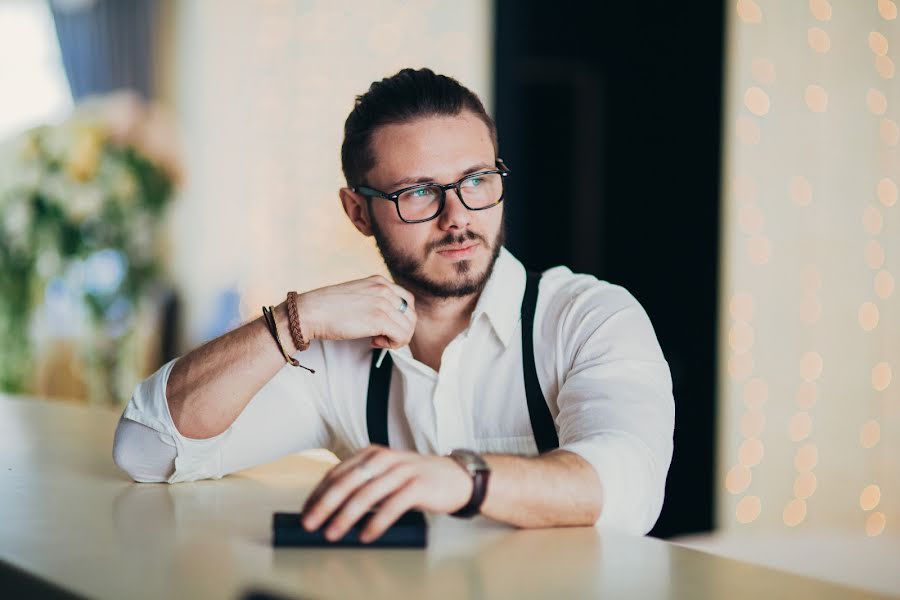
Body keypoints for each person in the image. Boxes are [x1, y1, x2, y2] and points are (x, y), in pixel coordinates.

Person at [113, 68, 674, 543]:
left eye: (477, 179)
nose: (458, 216)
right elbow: (148, 451)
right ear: (359, 212)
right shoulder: (335, 359)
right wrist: (291, 321)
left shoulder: (587, 318)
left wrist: (458, 479)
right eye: (419, 192)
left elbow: (630, 489)